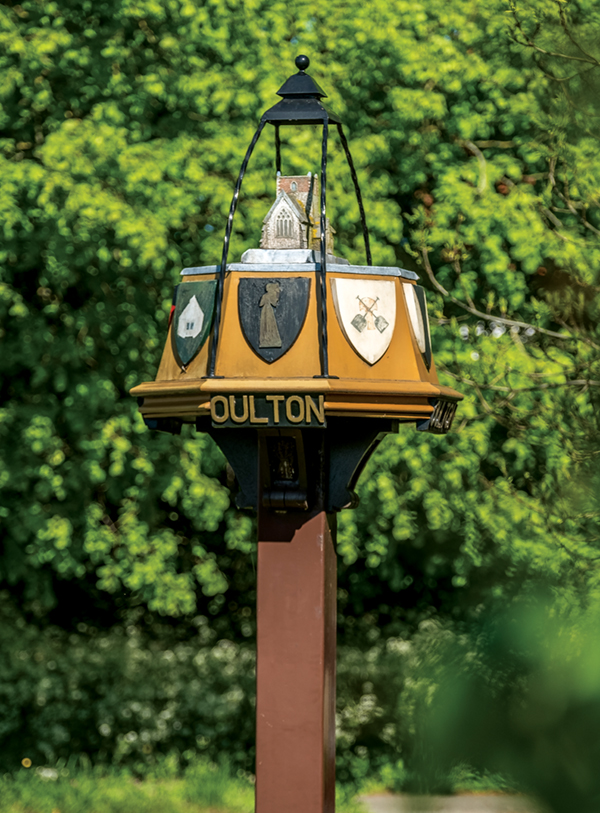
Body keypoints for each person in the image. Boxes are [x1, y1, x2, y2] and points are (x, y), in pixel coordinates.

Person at [259, 282, 282, 348]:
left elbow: (260, 304)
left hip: (264, 311)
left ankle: (266, 339)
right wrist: (277, 296)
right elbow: (274, 303)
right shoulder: (271, 295)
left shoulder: (265, 296)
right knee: (269, 324)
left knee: (266, 324)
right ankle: (270, 339)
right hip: (269, 310)